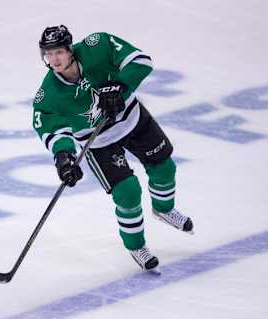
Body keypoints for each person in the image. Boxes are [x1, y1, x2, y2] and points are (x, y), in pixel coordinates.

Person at [31, 25, 194, 272]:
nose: (53, 60)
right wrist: (64, 157)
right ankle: (136, 246)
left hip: (131, 118)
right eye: (48, 54)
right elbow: (51, 129)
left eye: (59, 52)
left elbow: (141, 61)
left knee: (164, 167)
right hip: (99, 141)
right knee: (127, 192)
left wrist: (120, 86)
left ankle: (163, 209)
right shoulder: (49, 94)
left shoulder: (98, 45)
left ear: (71, 49)